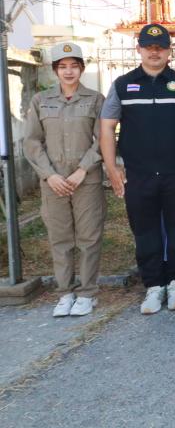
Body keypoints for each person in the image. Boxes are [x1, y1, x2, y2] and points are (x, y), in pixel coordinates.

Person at [99, 24, 175, 314]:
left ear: (169, 50)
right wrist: (111, 167)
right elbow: (107, 127)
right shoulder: (122, 85)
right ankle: (153, 286)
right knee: (145, 233)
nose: (155, 52)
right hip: (138, 175)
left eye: (161, 47)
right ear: (138, 49)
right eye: (149, 47)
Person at [23, 43, 106, 318]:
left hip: (86, 180)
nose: (68, 71)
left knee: (89, 237)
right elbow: (32, 142)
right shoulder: (41, 100)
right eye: (63, 66)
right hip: (54, 181)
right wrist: (50, 175)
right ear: (55, 70)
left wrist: (83, 170)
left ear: (82, 68)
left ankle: (87, 293)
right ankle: (65, 293)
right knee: (60, 238)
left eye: (74, 66)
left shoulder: (95, 99)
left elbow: (102, 139)